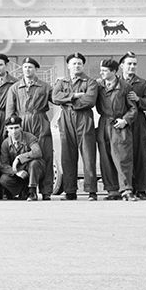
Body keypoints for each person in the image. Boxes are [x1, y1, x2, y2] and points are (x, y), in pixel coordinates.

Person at [51, 53, 99, 200]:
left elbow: (89, 100)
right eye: (74, 63)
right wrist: (73, 96)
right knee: (67, 156)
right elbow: (54, 97)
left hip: (84, 118)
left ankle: (91, 191)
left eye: (79, 63)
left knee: (88, 155)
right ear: (68, 65)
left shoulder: (90, 82)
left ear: (83, 65)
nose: (76, 66)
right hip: (65, 118)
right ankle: (70, 191)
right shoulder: (62, 82)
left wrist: (66, 100)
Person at [5, 56, 54, 199]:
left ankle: (46, 191)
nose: (27, 69)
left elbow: (57, 98)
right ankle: (28, 190)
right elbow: (10, 111)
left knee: (45, 156)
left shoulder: (45, 87)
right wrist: (11, 130)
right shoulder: (14, 88)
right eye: (25, 67)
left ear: (36, 69)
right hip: (22, 123)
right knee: (25, 157)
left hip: (40, 122)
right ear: (22, 69)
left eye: (30, 67)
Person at [95, 58, 137, 200]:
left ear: (113, 71)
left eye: (105, 71)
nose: (102, 73)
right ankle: (112, 190)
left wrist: (125, 120)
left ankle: (126, 189)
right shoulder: (98, 85)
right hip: (103, 124)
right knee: (105, 158)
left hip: (119, 125)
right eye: (101, 70)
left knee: (122, 158)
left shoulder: (124, 87)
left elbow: (133, 108)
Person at [119, 52, 146, 200]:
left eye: (134, 64)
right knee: (123, 157)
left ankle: (141, 188)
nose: (132, 66)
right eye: (129, 63)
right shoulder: (115, 81)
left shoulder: (143, 84)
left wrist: (139, 99)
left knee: (141, 156)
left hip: (139, 123)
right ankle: (124, 188)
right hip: (121, 122)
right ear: (122, 65)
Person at [0, 114, 45, 200]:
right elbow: (3, 165)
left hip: (32, 170)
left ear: (21, 128)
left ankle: (32, 191)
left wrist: (19, 158)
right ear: (6, 129)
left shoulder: (29, 137)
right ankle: (22, 191)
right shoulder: (5, 143)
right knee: (3, 179)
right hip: (18, 172)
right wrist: (16, 172)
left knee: (35, 163)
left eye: (16, 128)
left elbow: (37, 152)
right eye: (11, 128)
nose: (14, 131)